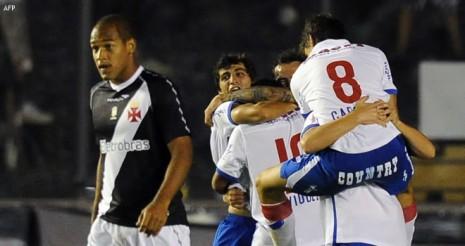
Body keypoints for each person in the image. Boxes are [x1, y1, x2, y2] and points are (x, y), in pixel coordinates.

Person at [255, 14, 417, 245]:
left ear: (310, 40)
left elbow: (311, 141)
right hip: (390, 156)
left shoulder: (302, 73)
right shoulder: (375, 54)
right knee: (405, 190)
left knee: (265, 183)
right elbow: (392, 113)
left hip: (342, 165)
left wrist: (353, 118)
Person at [86, 14, 192, 246]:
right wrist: (96, 215)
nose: (100, 55)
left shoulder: (157, 88)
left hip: (156, 226)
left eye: (108, 46)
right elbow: (106, 155)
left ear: (130, 46)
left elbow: (183, 151)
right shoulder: (97, 95)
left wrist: (161, 204)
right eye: (95, 48)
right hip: (108, 226)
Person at [212, 78, 323, 246]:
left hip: (271, 229)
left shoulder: (244, 131)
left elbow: (219, 182)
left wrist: (232, 187)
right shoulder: (311, 117)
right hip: (317, 225)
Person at [206, 54, 296, 246]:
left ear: (252, 82)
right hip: (242, 221)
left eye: (239, 74)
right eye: (225, 77)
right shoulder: (223, 110)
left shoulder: (275, 119)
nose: (233, 80)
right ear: (218, 89)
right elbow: (258, 113)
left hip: (277, 217)